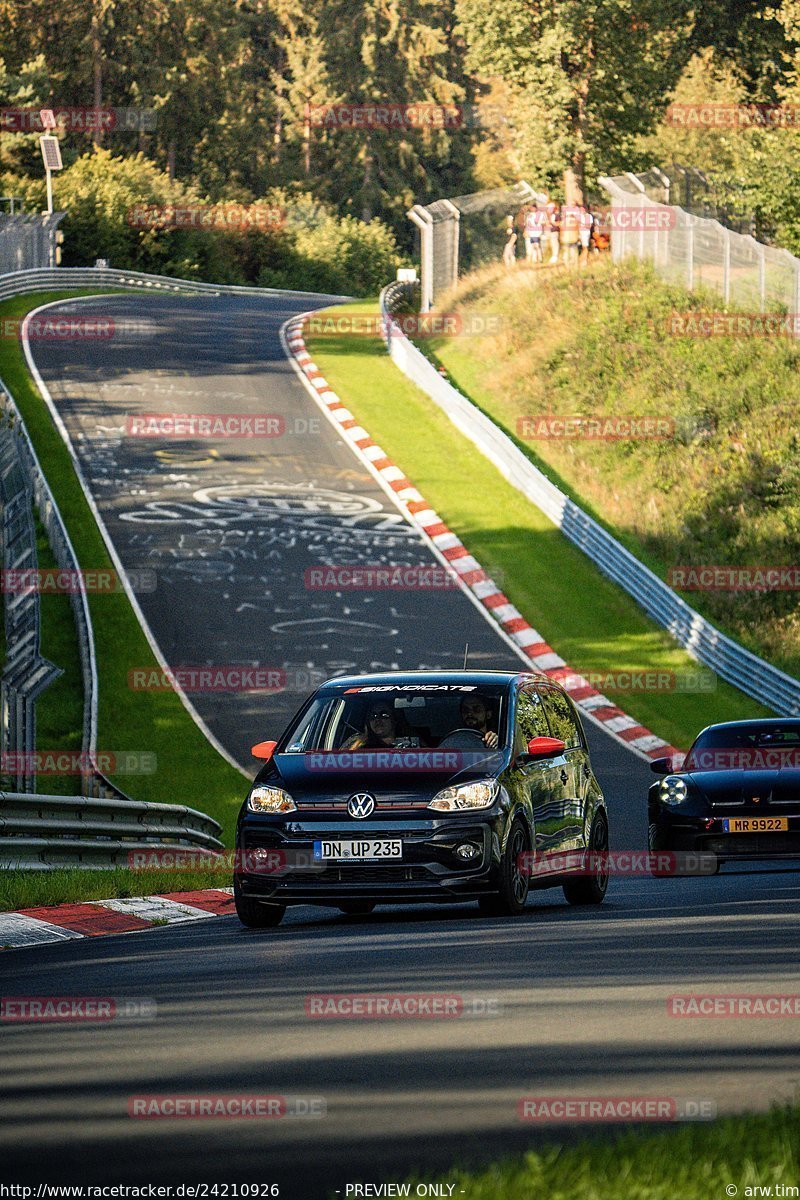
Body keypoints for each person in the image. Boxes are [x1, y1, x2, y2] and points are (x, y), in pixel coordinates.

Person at [344, 703, 422, 750]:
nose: (377, 719)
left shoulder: (413, 745)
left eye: (384, 715)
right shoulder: (359, 748)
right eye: (373, 716)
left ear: (394, 719)